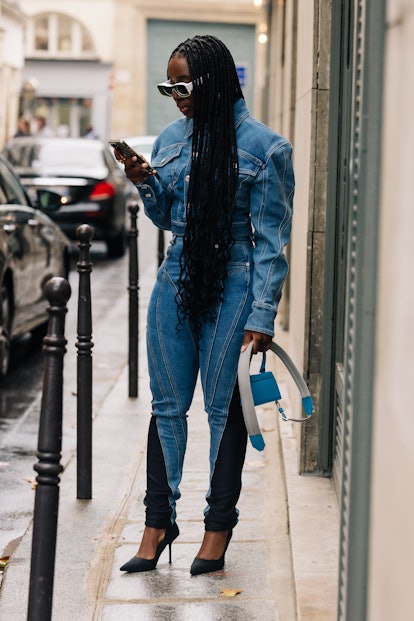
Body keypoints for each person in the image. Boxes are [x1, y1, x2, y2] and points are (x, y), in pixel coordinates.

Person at [118, 34, 294, 576]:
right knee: (166, 406)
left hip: (236, 281)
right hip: (178, 274)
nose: (176, 97)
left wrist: (262, 315)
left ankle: (217, 530)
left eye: (183, 86)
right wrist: (145, 183)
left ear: (214, 82)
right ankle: (157, 524)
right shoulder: (174, 137)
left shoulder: (267, 149)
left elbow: (271, 242)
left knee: (224, 409)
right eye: (168, 87)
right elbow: (169, 218)